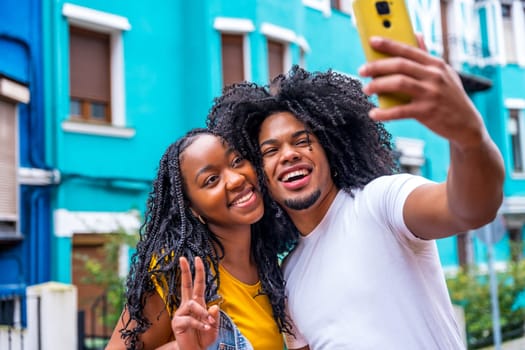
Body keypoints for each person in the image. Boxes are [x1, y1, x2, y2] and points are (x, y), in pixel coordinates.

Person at [207, 36, 505, 349]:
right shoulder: (288, 276)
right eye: (271, 150)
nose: (288, 155)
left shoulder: (380, 202)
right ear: (260, 175)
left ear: (330, 148)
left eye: (301, 140)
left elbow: (470, 208)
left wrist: (470, 137)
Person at [105, 128, 294, 350]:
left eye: (236, 161)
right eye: (211, 179)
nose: (235, 179)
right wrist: (182, 348)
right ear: (192, 208)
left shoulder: (272, 269)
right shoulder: (176, 271)